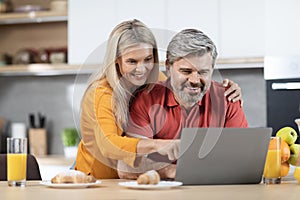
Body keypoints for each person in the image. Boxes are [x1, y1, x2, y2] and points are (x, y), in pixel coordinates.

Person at [75, 19, 243, 179]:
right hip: (95, 177)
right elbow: (108, 145)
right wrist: (160, 145)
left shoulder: (157, 81)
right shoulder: (102, 93)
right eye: (132, 61)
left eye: (148, 59)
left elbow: (184, 84)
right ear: (116, 61)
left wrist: (228, 92)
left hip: (129, 180)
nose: (141, 69)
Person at [118, 28, 248, 179]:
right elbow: (127, 166)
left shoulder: (227, 98)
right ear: (168, 67)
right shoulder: (145, 99)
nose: (194, 80)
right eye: (186, 71)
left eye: (203, 72)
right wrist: (172, 171)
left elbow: (242, 158)